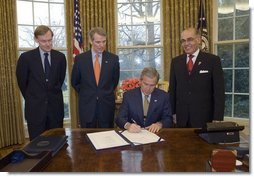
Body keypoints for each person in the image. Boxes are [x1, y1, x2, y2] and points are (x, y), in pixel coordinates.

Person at [16, 25, 66, 140]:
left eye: (50, 40)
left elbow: (59, 80)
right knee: (37, 146)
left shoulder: (60, 58)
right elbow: (22, 84)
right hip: (35, 110)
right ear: (36, 40)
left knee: (56, 143)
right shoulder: (26, 58)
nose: (48, 44)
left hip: (55, 110)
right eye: (44, 41)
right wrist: (34, 97)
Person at [169, 27, 225, 128]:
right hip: (181, 118)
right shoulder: (176, 62)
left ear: (199, 40)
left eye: (189, 39)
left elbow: (219, 92)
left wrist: (218, 117)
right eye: (183, 41)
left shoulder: (213, 61)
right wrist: (172, 113)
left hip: (205, 118)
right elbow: (172, 90)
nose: (186, 44)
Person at [71, 27, 120, 128]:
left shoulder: (113, 59)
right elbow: (75, 82)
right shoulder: (80, 59)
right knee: (86, 138)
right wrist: (87, 92)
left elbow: (114, 82)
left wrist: (103, 92)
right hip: (87, 105)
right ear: (90, 41)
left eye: (104, 41)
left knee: (107, 138)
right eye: (98, 42)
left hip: (106, 106)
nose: (101, 45)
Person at [115, 67, 173, 133]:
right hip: (134, 134)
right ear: (140, 81)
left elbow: (168, 119)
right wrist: (128, 125)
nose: (148, 88)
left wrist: (159, 124)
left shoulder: (163, 96)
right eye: (145, 84)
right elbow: (119, 118)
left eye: (152, 85)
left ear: (156, 84)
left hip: (155, 134)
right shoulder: (129, 96)